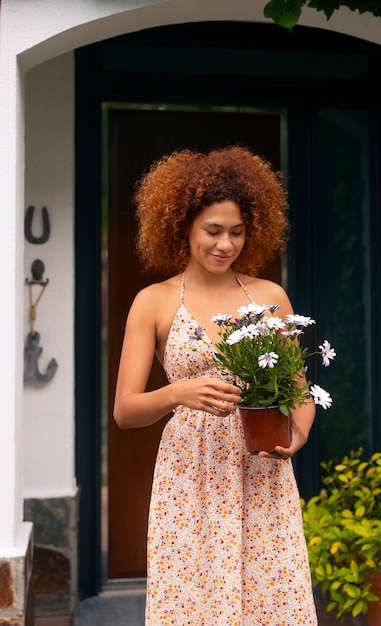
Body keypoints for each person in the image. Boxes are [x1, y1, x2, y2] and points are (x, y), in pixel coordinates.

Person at [113, 146, 318, 625]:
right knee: (194, 603)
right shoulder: (153, 302)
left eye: (237, 232)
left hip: (260, 470)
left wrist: (298, 435)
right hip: (189, 476)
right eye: (213, 230)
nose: (225, 244)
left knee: (272, 598)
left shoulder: (269, 297)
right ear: (182, 226)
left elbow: (299, 391)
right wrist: (176, 394)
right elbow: (125, 411)